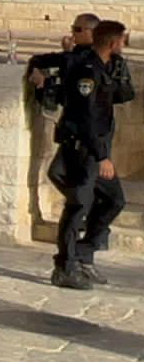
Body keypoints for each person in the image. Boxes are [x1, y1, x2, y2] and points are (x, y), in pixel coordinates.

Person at [50, 19, 129, 290]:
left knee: (114, 200)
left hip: (96, 150)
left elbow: (122, 96)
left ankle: (84, 253)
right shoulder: (87, 71)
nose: (123, 44)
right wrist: (101, 156)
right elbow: (86, 119)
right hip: (85, 151)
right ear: (112, 42)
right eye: (121, 39)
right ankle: (65, 267)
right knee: (77, 206)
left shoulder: (106, 67)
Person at [27, 14, 99, 216]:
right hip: (71, 131)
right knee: (59, 173)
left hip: (88, 133)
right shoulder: (76, 54)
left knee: (74, 177)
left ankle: (86, 211)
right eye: (72, 28)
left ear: (92, 33)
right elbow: (43, 61)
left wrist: (46, 83)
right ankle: (84, 208)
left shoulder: (94, 59)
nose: (72, 34)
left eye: (78, 30)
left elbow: (75, 90)